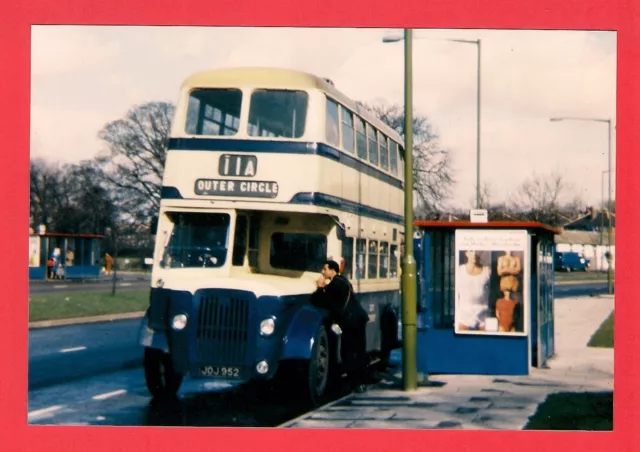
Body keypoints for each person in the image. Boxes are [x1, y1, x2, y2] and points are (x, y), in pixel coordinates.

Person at [311, 260, 369, 393]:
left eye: (325, 269)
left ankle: (356, 384)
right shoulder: (342, 281)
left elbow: (321, 301)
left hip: (351, 322)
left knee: (347, 353)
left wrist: (320, 288)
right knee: (358, 352)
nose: (323, 272)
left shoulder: (335, 285)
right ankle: (360, 382)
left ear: (332, 270)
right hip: (357, 319)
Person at [456, 250, 491, 331]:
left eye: (477, 251)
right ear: (466, 253)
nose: (474, 254)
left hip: (482, 314)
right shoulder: (459, 270)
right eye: (471, 251)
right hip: (464, 315)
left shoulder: (487, 271)